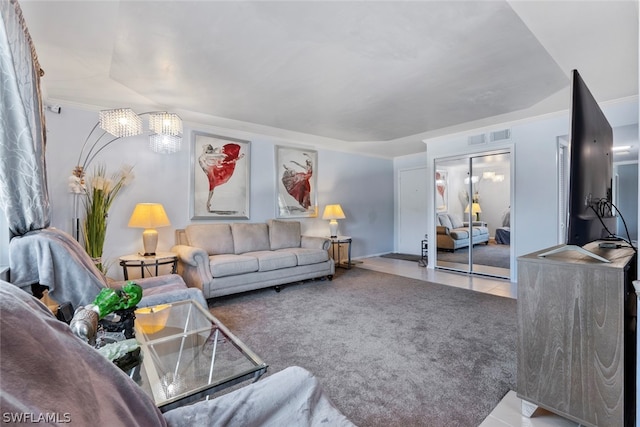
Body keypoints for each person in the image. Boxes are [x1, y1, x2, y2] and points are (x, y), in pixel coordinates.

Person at [198, 143, 244, 212]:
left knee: (211, 187)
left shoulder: (207, 156)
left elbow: (226, 161)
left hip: (211, 171)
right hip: (210, 170)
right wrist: (237, 158)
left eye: (205, 148)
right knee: (211, 187)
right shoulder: (205, 156)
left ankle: (208, 203)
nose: (204, 149)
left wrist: (237, 158)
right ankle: (208, 203)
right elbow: (222, 157)